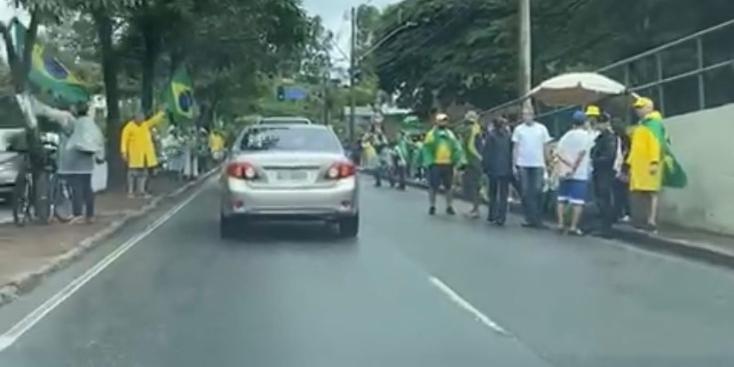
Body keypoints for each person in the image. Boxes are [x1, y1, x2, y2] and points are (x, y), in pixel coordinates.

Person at [34, 100, 105, 224]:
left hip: (72, 161)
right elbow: (98, 139)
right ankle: (90, 214)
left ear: (75, 109)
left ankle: (77, 214)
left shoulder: (70, 120)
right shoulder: (90, 124)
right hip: (87, 162)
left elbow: (52, 115)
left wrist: (36, 106)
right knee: (87, 187)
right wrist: (100, 155)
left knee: (76, 187)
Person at [554, 111, 594, 235]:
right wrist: (574, 167)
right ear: (585, 122)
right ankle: (573, 226)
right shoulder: (586, 136)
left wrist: (567, 165)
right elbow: (582, 154)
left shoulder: (566, 135)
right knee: (578, 201)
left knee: (561, 199)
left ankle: (560, 224)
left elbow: (558, 152)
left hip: (564, 172)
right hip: (579, 173)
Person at [628, 97, 663, 231]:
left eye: (641, 107)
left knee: (652, 193)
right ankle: (642, 220)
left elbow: (655, 144)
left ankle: (651, 220)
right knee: (642, 193)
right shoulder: (643, 124)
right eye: (637, 108)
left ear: (649, 108)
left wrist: (654, 162)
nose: (638, 110)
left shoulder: (654, 124)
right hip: (639, 165)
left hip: (648, 164)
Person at [512, 112, 552, 228]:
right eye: (524, 115)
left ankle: (537, 218)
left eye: (528, 115)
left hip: (538, 163)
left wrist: (548, 161)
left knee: (538, 190)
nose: (526, 117)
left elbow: (546, 146)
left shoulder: (541, 129)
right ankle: (529, 218)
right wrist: (514, 164)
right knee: (525, 192)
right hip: (523, 163)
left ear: (533, 116)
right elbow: (516, 148)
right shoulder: (519, 129)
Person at [423, 113, 465, 216]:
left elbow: (456, 148)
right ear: (437, 122)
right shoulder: (431, 134)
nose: (443, 122)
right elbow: (426, 149)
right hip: (435, 164)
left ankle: (449, 206)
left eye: (445, 120)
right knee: (433, 186)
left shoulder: (450, 134)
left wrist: (457, 160)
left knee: (449, 186)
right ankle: (432, 206)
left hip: (448, 164)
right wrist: (429, 162)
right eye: (441, 120)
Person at [121, 110, 165, 198]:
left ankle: (141, 191)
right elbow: (124, 141)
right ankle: (130, 192)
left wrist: (161, 113)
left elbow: (154, 120)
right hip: (134, 154)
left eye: (143, 118)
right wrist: (124, 152)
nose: (142, 120)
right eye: (140, 118)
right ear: (135, 118)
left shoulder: (145, 125)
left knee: (144, 173)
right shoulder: (128, 127)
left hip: (145, 154)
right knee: (132, 173)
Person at [590, 111, 620, 237]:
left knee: (604, 199)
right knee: (601, 199)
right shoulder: (602, 137)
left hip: (605, 172)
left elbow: (609, 156)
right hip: (600, 172)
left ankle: (606, 228)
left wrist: (595, 160)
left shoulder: (609, 138)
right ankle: (603, 227)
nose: (598, 126)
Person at [482, 117, 513, 226]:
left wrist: (485, 167)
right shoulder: (508, 136)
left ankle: (492, 214)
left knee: (493, 193)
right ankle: (501, 217)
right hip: (505, 168)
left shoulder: (491, 136)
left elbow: (487, 152)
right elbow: (511, 152)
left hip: (493, 168)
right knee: (503, 194)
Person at [460, 111, 484, 218]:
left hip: (473, 160)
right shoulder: (475, 128)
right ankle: (475, 208)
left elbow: (470, 146)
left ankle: (476, 210)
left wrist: (479, 157)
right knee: (473, 185)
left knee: (473, 185)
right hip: (473, 160)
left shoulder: (472, 129)